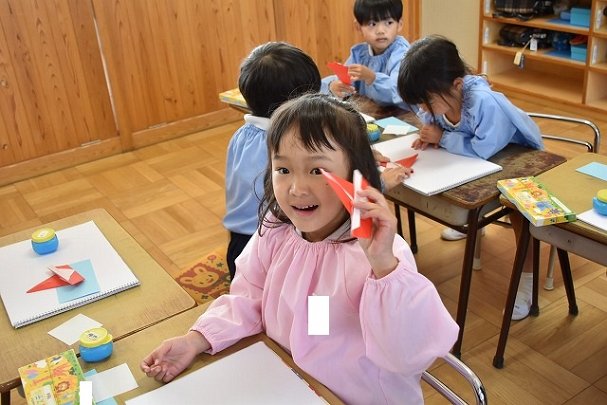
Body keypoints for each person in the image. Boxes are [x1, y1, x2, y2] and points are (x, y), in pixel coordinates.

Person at [141, 94, 458, 404]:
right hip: (289, 380)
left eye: (317, 170)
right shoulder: (277, 231)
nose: (296, 188)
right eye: (283, 170)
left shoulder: (379, 254)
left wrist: (384, 265)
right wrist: (196, 339)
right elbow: (249, 298)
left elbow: (406, 355)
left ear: (356, 175)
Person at [397, 35, 544, 320]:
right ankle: (474, 224)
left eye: (427, 101)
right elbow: (434, 121)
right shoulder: (442, 98)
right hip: (478, 165)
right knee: (463, 194)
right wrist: (429, 134)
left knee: (518, 212)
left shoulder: (484, 103)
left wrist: (442, 138)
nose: (423, 108)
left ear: (457, 85)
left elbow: (482, 148)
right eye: (420, 103)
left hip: (519, 162)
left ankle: (526, 283)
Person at [223, 41, 321, 280]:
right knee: (317, 287)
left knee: (254, 297)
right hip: (272, 250)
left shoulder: (242, 135)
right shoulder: (287, 145)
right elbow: (324, 197)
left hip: (237, 246)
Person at [321, 0, 410, 111]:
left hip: (402, 116)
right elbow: (345, 79)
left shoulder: (402, 53)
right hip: (373, 113)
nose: (380, 31)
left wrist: (372, 78)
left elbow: (397, 92)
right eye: (372, 24)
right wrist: (334, 86)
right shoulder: (360, 54)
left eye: (389, 23)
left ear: (400, 24)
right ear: (358, 27)